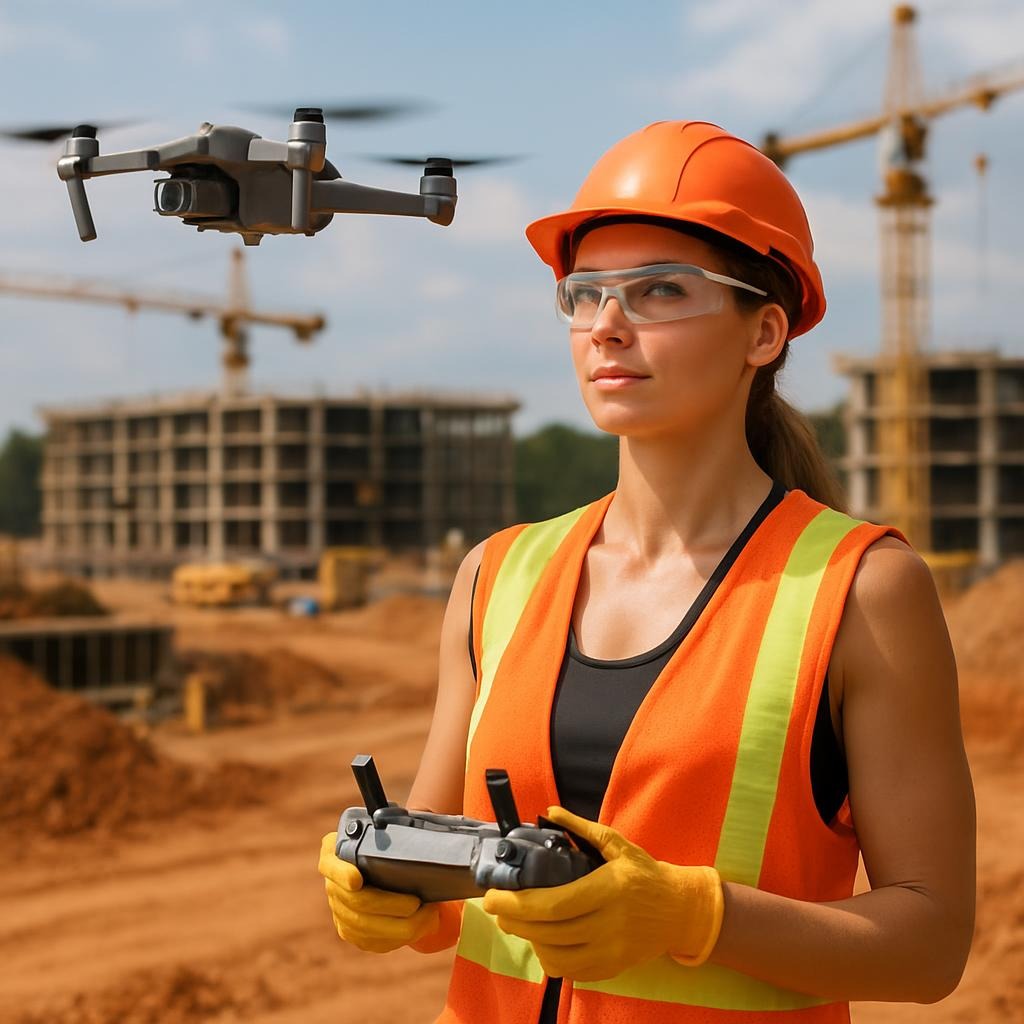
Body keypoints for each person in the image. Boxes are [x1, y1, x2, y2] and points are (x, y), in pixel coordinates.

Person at [318, 120, 976, 1023]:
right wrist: (388, 887)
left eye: (661, 291)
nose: (607, 327)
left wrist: (692, 915)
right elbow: (447, 890)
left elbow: (931, 942)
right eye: (585, 294)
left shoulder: (861, 589)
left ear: (765, 332)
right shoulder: (495, 574)